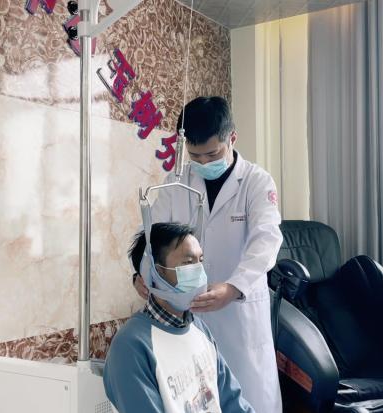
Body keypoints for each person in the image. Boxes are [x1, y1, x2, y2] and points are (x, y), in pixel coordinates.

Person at [133, 96, 283, 413]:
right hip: (190, 314)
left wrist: (234, 287)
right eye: (195, 156)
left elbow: (266, 240)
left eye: (212, 154)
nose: (203, 163)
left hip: (239, 315)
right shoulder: (176, 182)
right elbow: (152, 236)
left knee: (249, 399)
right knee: (199, 399)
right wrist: (142, 274)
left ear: (232, 138)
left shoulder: (256, 182)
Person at [103, 222, 255, 413]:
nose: (199, 271)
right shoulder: (131, 347)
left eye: (200, 260)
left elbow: (232, 402)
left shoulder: (199, 328)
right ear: (154, 273)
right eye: (188, 262)